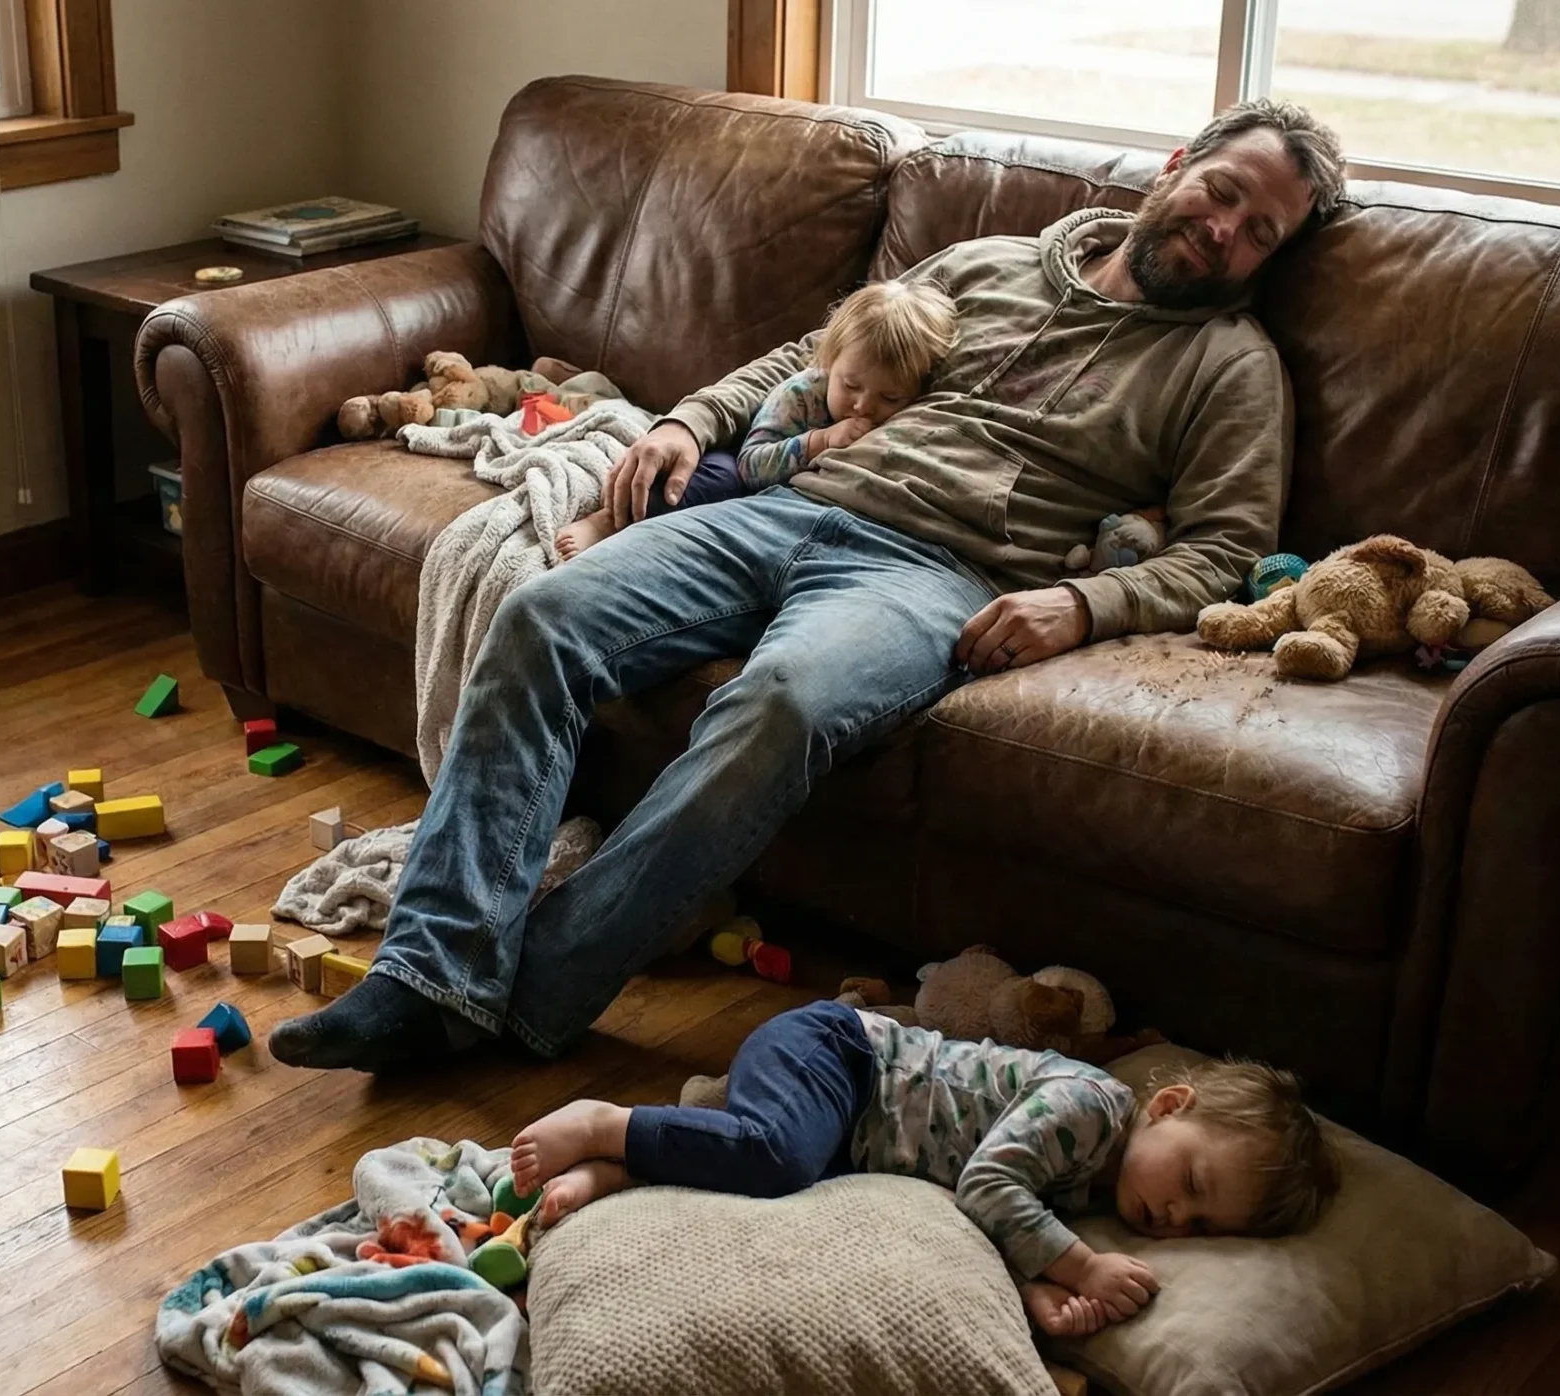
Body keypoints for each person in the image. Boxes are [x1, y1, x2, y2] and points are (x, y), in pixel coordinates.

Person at [269, 101, 1346, 1074]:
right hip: (786, 504)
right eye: (1224, 193)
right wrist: (691, 419)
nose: (1225, 232)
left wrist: (1083, 603)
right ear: (1176, 167)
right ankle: (426, 975)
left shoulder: (1229, 367)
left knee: (778, 704)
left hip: (931, 575)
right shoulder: (987, 265)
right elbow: (806, 354)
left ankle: (521, 997)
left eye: (1261, 232)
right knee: (540, 614)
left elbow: (1224, 551)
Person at [506, 1001, 1341, 1335]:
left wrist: (1038, 1294)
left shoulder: (1092, 1187)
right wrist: (1078, 1261)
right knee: (778, 1159)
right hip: (840, 1055)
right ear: (1166, 1108)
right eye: (1190, 1185)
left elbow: (990, 1225)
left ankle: (626, 1173)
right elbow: (988, 1186)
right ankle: (605, 1122)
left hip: (849, 1131)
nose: (1173, 1218)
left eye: (1200, 1225)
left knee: (781, 1177)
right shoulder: (1091, 1109)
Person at [553, 279, 959, 560]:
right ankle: (606, 522)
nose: (863, 406)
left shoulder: (906, 415)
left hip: (796, 507)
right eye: (850, 385)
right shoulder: (800, 394)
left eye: (889, 396)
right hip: (747, 458)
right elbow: (752, 466)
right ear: (830, 362)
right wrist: (817, 442)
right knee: (714, 481)